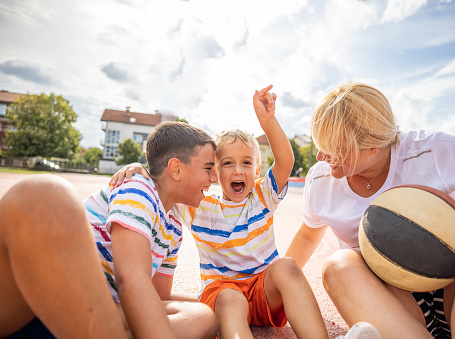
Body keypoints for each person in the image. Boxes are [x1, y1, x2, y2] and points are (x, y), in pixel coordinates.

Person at [112, 85, 382, 339]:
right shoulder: (196, 204)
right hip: (221, 294)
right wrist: (141, 169)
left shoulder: (263, 197)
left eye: (246, 163)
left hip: (264, 291)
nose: (238, 170)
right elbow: (170, 182)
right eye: (227, 163)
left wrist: (268, 121)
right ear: (214, 172)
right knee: (230, 298)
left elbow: (286, 161)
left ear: (256, 171)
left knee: (286, 266)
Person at [283, 82, 455, 338]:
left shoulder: (432, 151)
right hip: (392, 302)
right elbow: (307, 236)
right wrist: (273, 288)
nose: (321, 157)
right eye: (320, 143)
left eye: (335, 149)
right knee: (338, 265)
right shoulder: (321, 180)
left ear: (373, 144)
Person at [0, 121, 218, 339]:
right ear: (176, 169)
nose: (214, 178)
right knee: (44, 193)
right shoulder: (138, 189)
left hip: (89, 317)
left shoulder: (174, 229)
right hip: (36, 305)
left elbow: (156, 299)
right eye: (208, 168)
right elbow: (130, 278)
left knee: (202, 315)